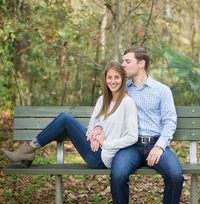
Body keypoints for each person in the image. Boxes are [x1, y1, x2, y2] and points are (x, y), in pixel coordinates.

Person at [88, 48, 184, 204]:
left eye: (127, 61)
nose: (123, 65)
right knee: (118, 174)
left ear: (141, 63)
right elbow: (102, 108)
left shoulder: (162, 90)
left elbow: (170, 122)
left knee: (175, 174)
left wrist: (159, 147)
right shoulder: (123, 88)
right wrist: (97, 126)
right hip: (129, 145)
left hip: (155, 143)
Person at [3, 61, 138, 171]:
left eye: (116, 77)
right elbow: (92, 124)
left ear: (123, 79)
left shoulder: (127, 102)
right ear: (105, 79)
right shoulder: (103, 99)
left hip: (103, 158)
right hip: (93, 148)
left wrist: (105, 143)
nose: (113, 81)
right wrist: (97, 130)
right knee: (65, 119)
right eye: (109, 77)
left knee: (65, 119)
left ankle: (28, 149)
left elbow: (132, 137)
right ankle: (28, 150)